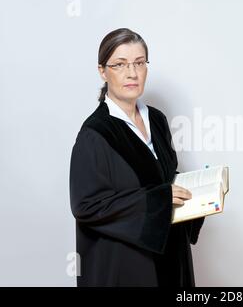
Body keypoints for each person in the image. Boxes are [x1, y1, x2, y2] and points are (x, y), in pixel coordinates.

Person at [69, 28, 205, 287]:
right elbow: (87, 206)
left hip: (169, 256)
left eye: (139, 63)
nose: (132, 73)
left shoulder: (157, 119)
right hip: (126, 265)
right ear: (102, 71)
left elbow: (164, 178)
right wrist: (159, 199)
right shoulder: (95, 134)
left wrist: (199, 193)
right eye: (120, 64)